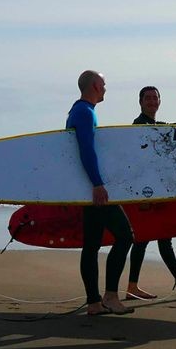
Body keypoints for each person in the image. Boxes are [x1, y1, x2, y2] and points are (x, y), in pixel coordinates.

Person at [125, 86, 176, 300]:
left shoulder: (157, 126)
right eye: (148, 98)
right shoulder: (138, 125)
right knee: (147, 238)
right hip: (147, 192)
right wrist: (142, 195)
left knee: (159, 237)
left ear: (159, 102)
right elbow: (137, 162)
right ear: (141, 102)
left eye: (155, 98)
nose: (152, 101)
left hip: (159, 190)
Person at [68, 70, 135, 315]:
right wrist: (97, 184)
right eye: (104, 84)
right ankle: (110, 296)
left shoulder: (79, 111)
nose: (105, 88)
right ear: (96, 85)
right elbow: (86, 150)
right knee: (126, 236)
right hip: (93, 188)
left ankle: (94, 303)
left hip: (85, 189)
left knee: (92, 245)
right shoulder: (84, 112)